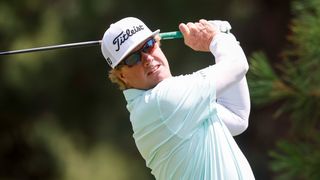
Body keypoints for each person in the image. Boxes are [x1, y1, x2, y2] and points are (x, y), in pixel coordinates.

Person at [101, 17, 255, 180]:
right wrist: (216, 38)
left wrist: (223, 37)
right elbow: (237, 65)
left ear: (158, 42)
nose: (147, 59)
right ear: (122, 75)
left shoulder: (159, 106)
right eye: (133, 58)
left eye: (149, 45)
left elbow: (237, 117)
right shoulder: (162, 102)